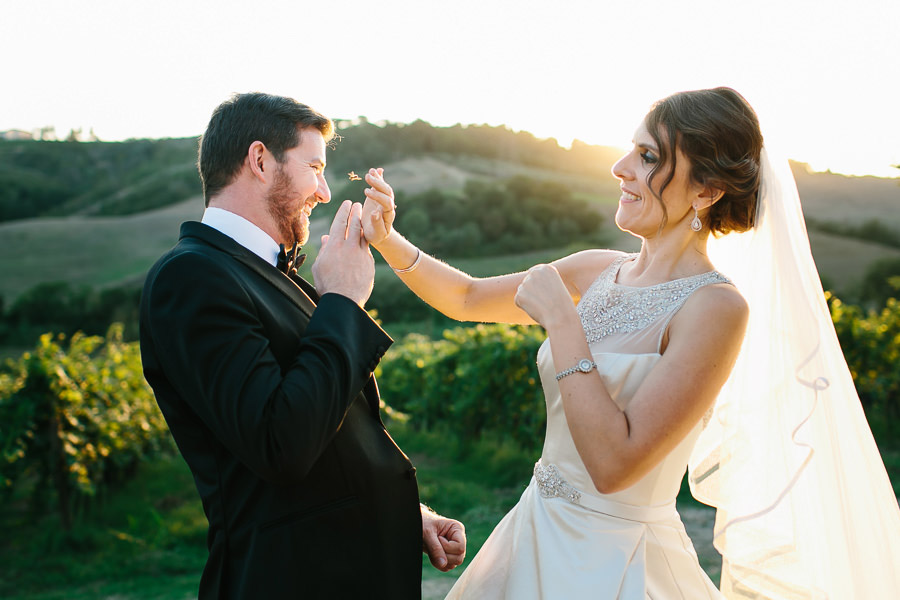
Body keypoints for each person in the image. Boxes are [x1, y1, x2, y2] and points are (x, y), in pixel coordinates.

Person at [361, 87, 900, 598]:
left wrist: (563, 324)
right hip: (532, 531)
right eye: (630, 150)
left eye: (647, 156)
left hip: (618, 564)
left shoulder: (715, 308)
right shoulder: (596, 269)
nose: (620, 168)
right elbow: (469, 298)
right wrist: (387, 236)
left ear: (706, 191)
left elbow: (614, 465)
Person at [139, 92, 465, 600]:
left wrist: (409, 513)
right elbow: (280, 442)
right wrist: (342, 301)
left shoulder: (272, 274)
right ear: (260, 161)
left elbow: (329, 429)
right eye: (315, 166)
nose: (326, 191)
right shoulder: (191, 278)